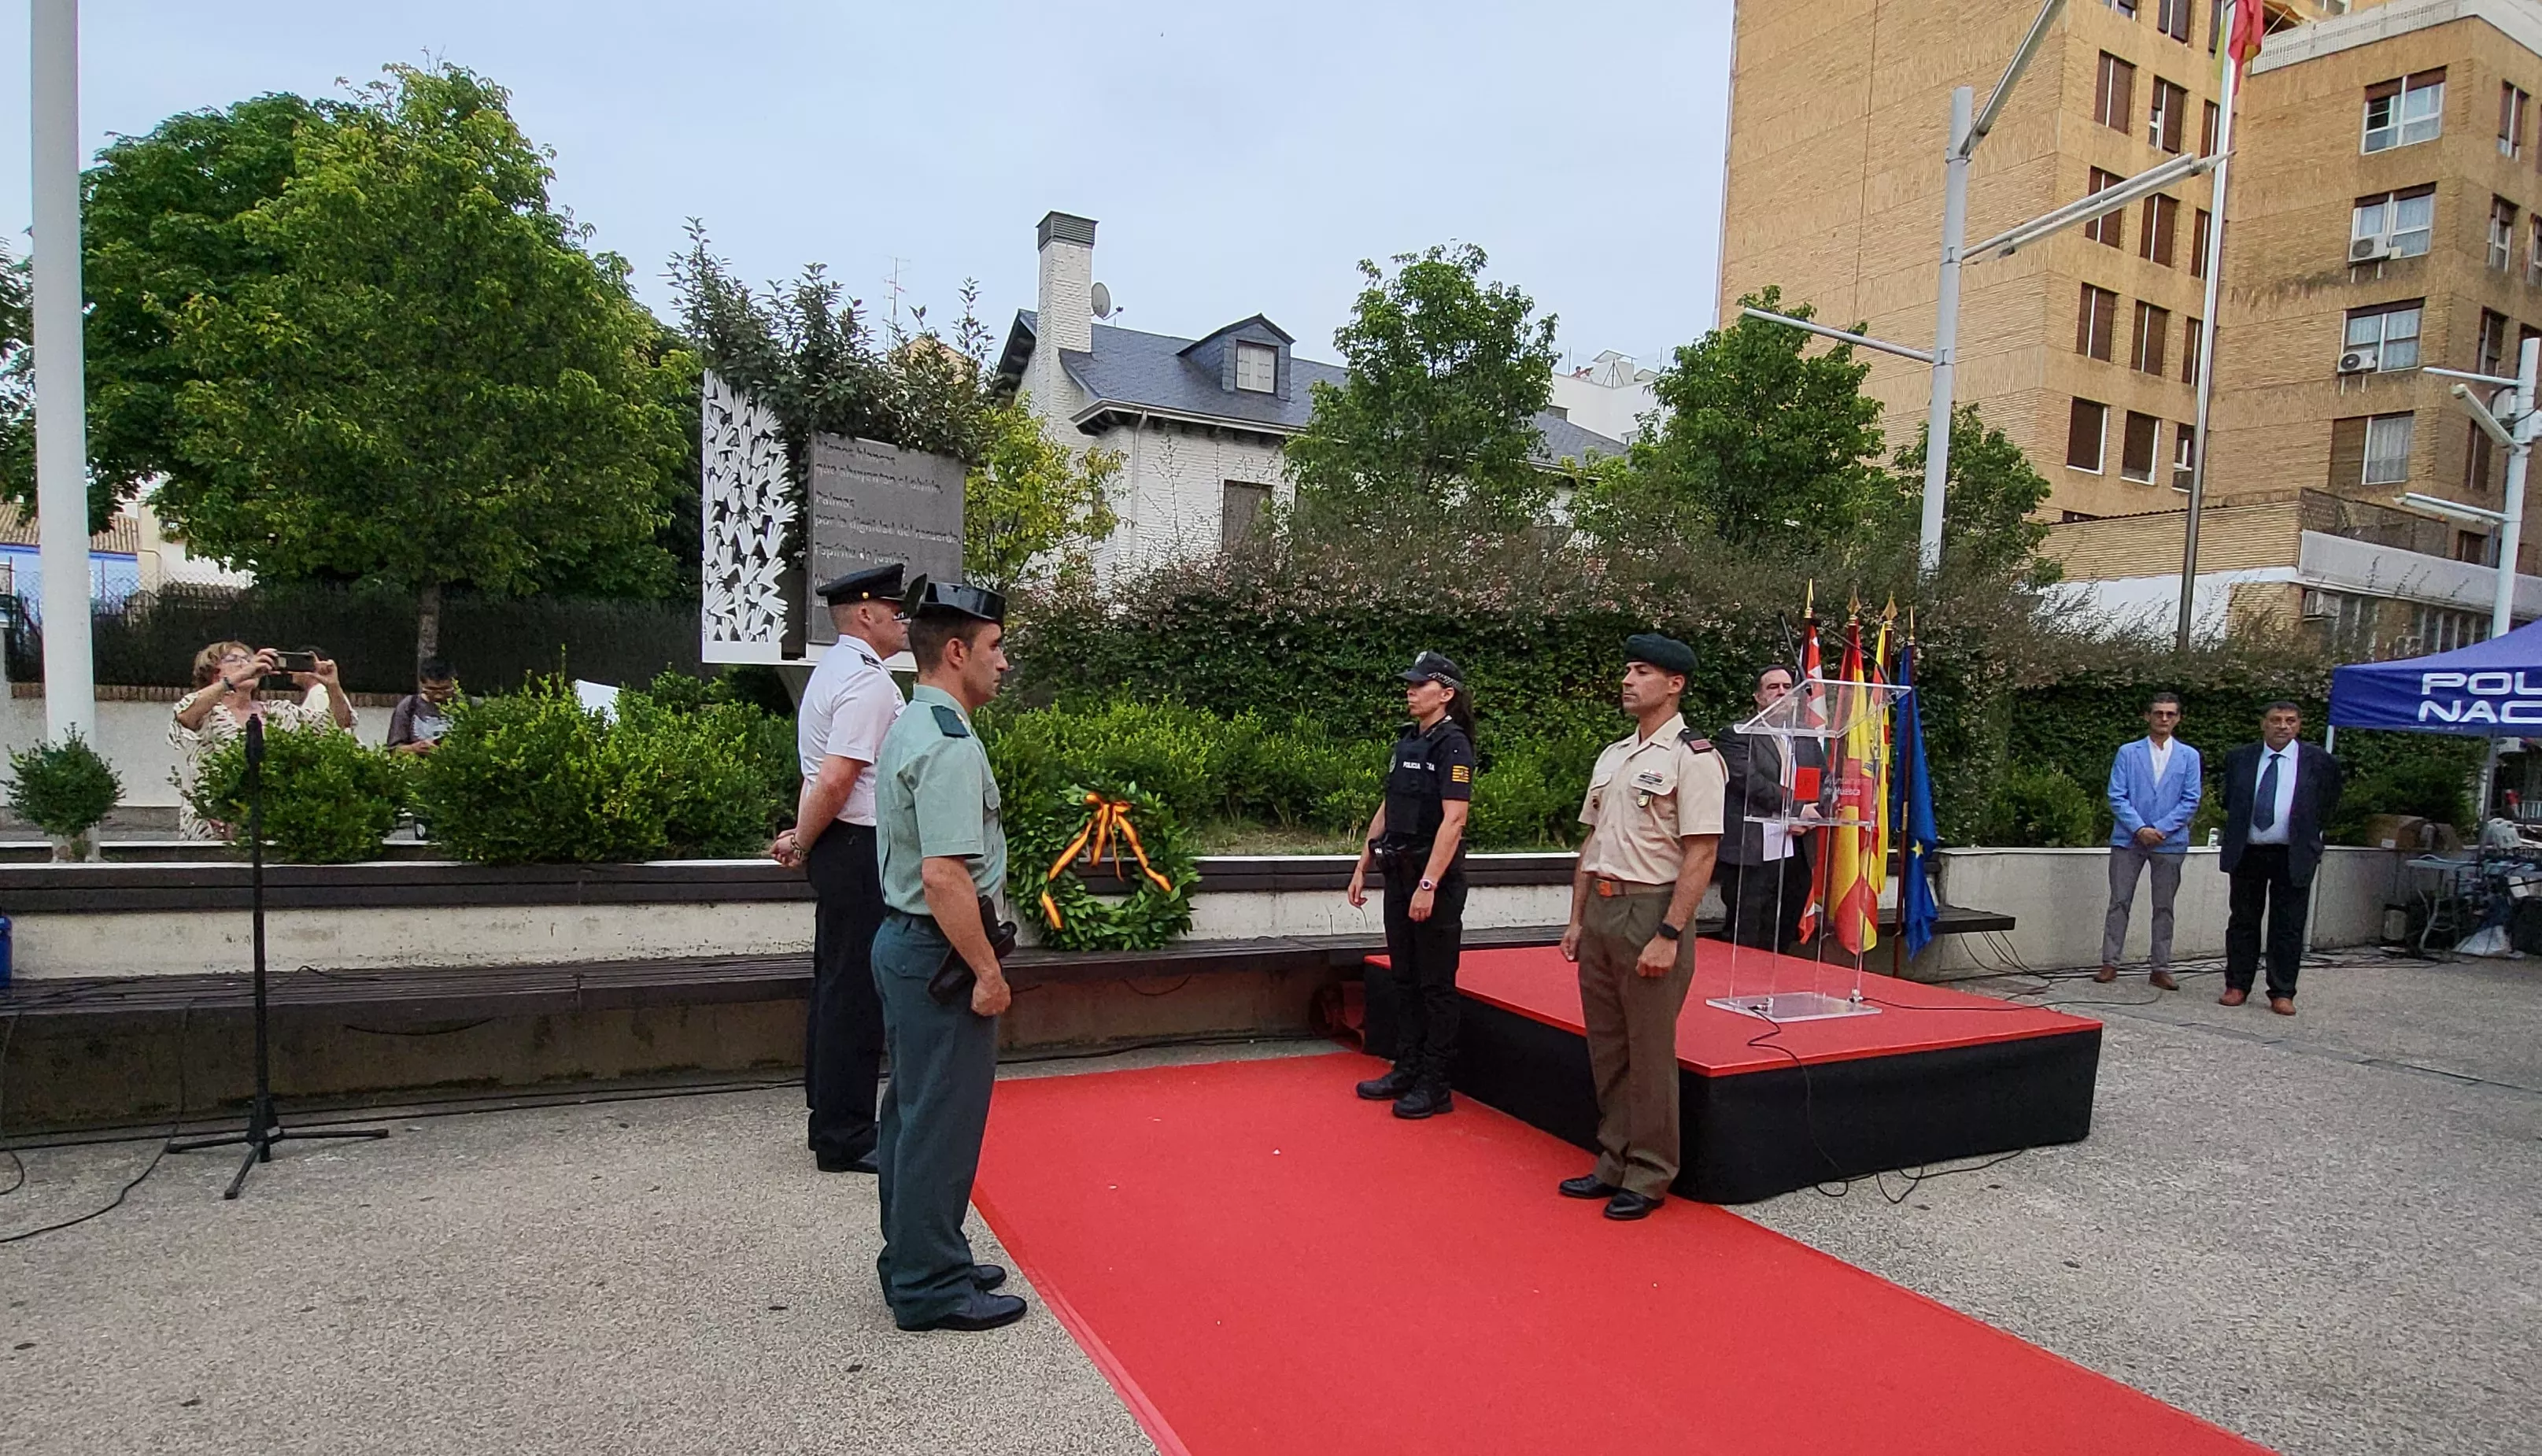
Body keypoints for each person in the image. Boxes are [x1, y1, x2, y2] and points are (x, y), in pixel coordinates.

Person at [869, 577, 1025, 1332]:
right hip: (943, 957)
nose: (1004, 663)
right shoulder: (950, 742)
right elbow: (944, 874)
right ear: (956, 651)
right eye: (994, 648)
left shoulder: (912, 722)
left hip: (908, 949)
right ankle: (931, 1286)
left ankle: (917, 1255)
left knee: (910, 1113)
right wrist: (988, 974)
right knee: (941, 1121)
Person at [1557, 634, 1727, 1221]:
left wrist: (1671, 932)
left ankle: (1651, 1173)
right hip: (1603, 908)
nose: (1628, 680)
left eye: (1643, 672)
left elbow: (1701, 854)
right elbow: (1593, 841)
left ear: (1675, 684)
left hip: (1651, 910)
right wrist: (1577, 918)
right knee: (1609, 1048)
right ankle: (1613, 1159)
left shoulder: (1694, 758)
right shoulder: (1612, 756)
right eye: (1627, 669)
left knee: (1650, 1051)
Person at [770, 563, 909, 1175]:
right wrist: (802, 840)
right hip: (859, 848)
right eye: (895, 610)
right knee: (855, 996)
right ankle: (846, 1135)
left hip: (842, 845)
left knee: (835, 987)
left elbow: (819, 775)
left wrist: (804, 836)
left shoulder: (835, 672)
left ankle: (827, 1117)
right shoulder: (869, 684)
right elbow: (838, 776)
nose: (903, 621)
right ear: (865, 615)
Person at [1345, 651, 1477, 1119]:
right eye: (1410, 684)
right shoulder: (1408, 741)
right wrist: (1363, 861)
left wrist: (1429, 883)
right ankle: (1407, 1066)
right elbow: (1389, 804)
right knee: (1404, 978)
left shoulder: (1453, 745)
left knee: (1435, 984)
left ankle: (1435, 1084)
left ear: (1446, 694)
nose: (1410, 691)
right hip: (1398, 874)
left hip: (1431, 879)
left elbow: (1454, 818)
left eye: (1420, 685)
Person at [2217, 701, 2342, 1016]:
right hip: (2249, 851)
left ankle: (2282, 991)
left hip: (2293, 852)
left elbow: (2328, 803)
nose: (2282, 726)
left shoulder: (2319, 761)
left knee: (2288, 925)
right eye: (2276, 720)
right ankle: (2237, 985)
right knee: (2243, 920)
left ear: (2299, 726)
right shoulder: (2240, 758)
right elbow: (2229, 799)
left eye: (2290, 721)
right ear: (2264, 724)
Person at [168, 641, 357, 840]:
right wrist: (240, 675)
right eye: (234, 659)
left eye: (247, 659)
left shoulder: (279, 711)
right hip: (211, 830)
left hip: (268, 827)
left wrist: (333, 687)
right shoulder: (208, 712)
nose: (244, 664)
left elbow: (339, 724)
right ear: (213, 672)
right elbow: (186, 716)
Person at [2098, 692, 2202, 989]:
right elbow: (2116, 796)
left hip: (2169, 841)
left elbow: (2191, 799)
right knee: (2119, 901)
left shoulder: (2189, 756)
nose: (2164, 719)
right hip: (2128, 840)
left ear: (2179, 718)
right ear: (2147, 716)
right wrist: (2140, 828)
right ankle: (2110, 962)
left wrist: (2161, 829)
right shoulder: (2127, 753)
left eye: (2171, 714)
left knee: (2164, 906)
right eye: (2159, 713)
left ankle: (2160, 966)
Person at [1711, 663, 1816, 952]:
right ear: (1758, 696)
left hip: (1796, 849)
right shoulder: (1736, 734)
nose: (1781, 693)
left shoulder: (1806, 737)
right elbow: (1749, 780)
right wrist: (1796, 807)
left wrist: (1807, 813)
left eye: (1786, 688)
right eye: (1773, 688)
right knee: (1746, 934)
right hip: (1752, 850)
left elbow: (1817, 778)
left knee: (1783, 932)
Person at [386, 658, 460, 755]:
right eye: (432, 689)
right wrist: (414, 748)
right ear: (422, 685)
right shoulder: (409, 705)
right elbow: (392, 751)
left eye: (444, 689)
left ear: (454, 684)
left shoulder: (470, 706)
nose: (439, 695)